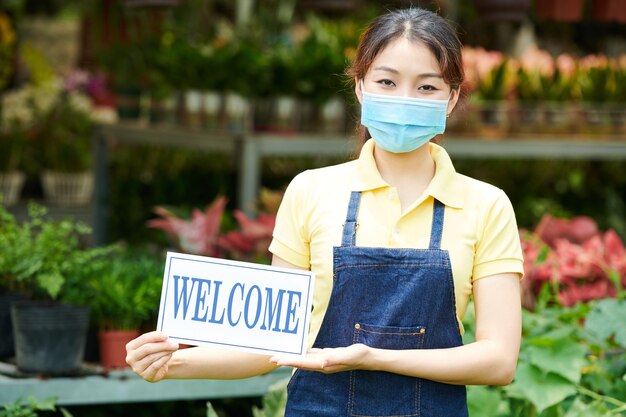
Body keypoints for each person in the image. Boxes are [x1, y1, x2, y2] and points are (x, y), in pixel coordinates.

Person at [126, 7, 523, 416]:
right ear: (360, 89)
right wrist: (171, 361)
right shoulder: (312, 191)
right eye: (387, 81)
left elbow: (499, 359)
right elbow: (275, 343)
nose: (404, 99)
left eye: (426, 87)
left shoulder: (485, 205)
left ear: (452, 96)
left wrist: (374, 358)